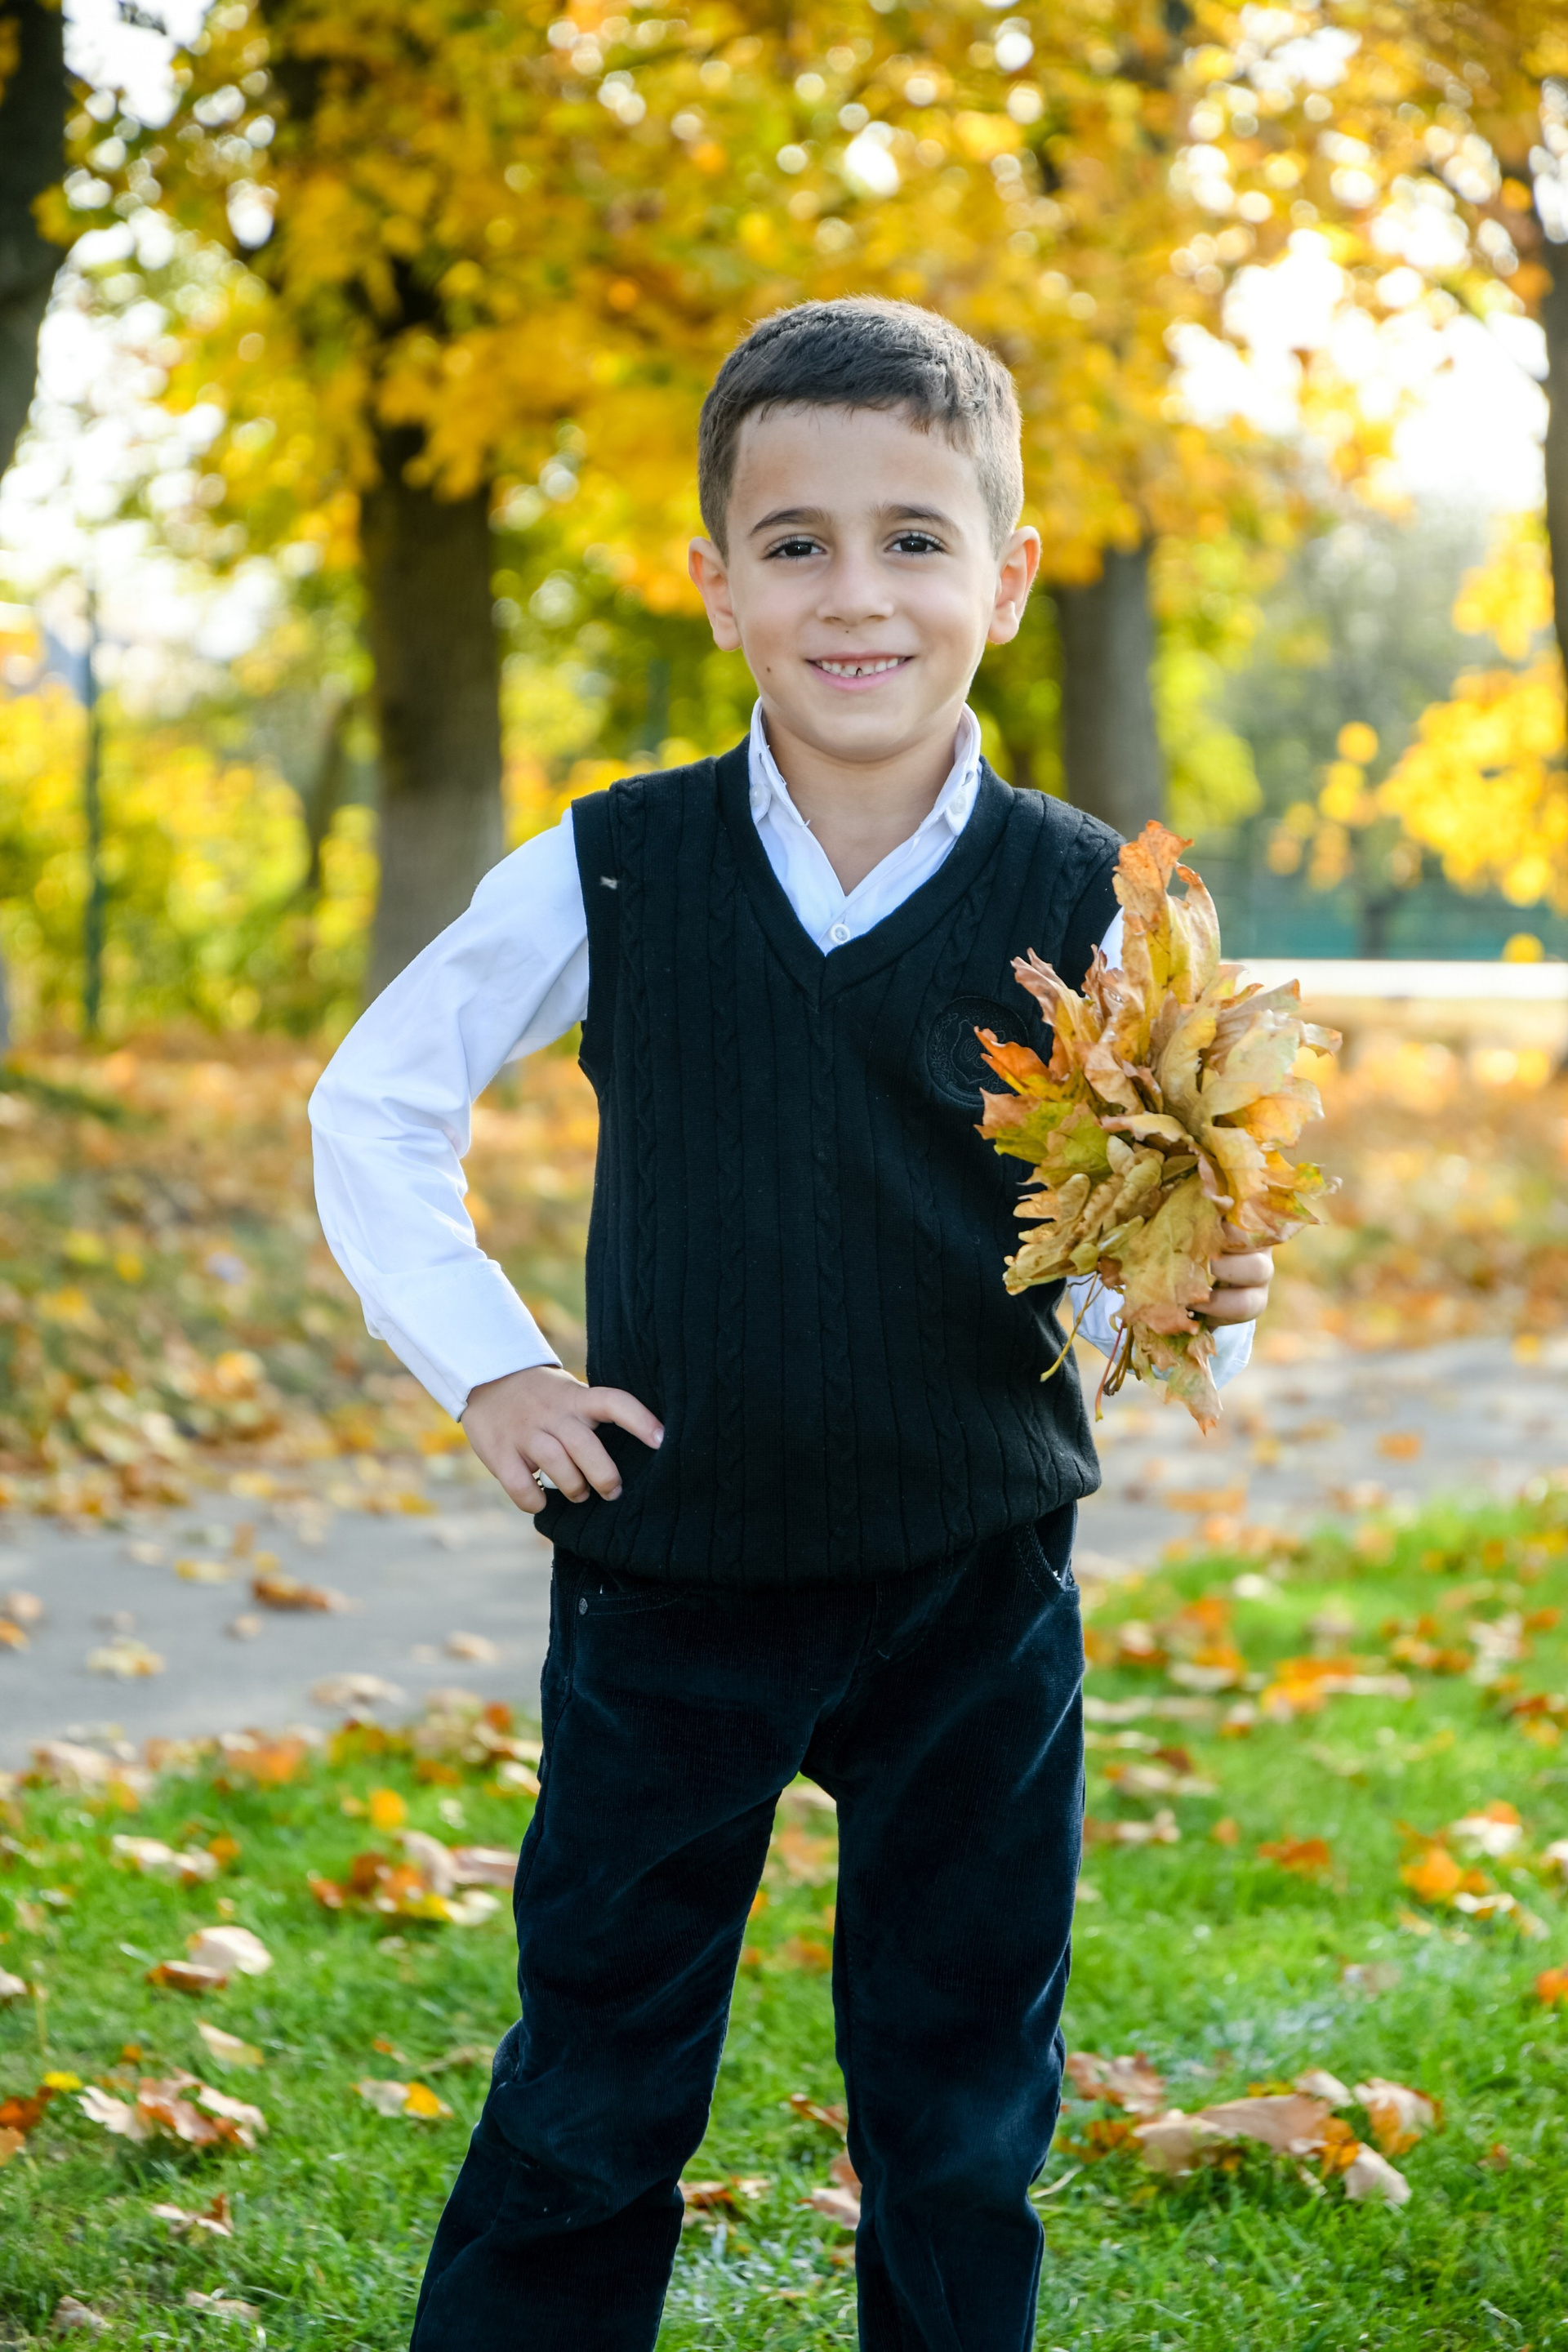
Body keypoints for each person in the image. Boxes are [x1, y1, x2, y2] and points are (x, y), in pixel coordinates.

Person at [310, 296, 1274, 2352]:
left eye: (916, 539)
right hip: (673, 1577)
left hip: (974, 1586)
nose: (857, 593)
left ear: (1006, 579)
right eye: (796, 544)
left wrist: (1186, 1297)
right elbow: (375, 1101)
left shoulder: (1091, 904)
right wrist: (493, 1365)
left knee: (960, 2105)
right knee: (593, 2086)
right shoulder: (617, 868)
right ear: (717, 585)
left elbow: (1139, 1259)